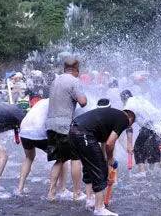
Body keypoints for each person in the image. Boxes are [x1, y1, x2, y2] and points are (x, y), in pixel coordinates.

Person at [69, 106, 135, 216]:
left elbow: (105, 143)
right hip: (84, 133)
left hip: (73, 129)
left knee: (89, 166)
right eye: (129, 125)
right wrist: (110, 159)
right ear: (130, 119)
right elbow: (110, 143)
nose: (126, 127)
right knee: (99, 168)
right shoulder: (124, 118)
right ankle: (99, 208)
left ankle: (90, 200)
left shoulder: (110, 116)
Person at [45, 57, 87, 201]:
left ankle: (51, 193)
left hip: (50, 125)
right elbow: (83, 102)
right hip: (64, 126)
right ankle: (77, 193)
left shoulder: (55, 81)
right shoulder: (74, 81)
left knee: (59, 159)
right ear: (76, 69)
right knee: (76, 158)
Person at [122, 90, 161, 178]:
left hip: (149, 128)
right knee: (154, 148)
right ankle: (157, 171)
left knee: (138, 147)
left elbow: (128, 126)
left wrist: (129, 144)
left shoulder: (128, 105)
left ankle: (142, 172)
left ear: (123, 99)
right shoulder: (140, 100)